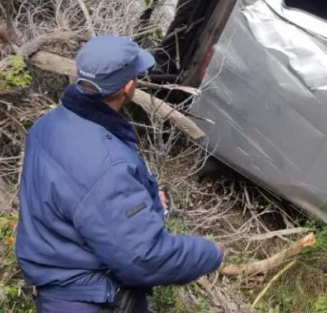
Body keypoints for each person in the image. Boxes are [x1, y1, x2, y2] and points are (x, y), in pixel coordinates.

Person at [16, 35, 224, 313]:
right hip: (93, 302)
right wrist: (210, 254)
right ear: (128, 87)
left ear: (79, 75)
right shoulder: (108, 163)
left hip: (56, 295)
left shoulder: (47, 126)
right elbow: (145, 259)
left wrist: (146, 203)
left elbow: (76, 200)